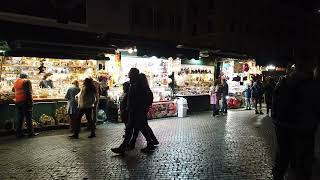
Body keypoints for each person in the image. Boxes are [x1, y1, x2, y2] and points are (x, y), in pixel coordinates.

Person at [272, 55, 319, 180]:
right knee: (303, 161)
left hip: (283, 127)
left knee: (282, 155)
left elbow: (274, 109)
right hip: (304, 127)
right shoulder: (312, 85)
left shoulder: (282, 83)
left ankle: (278, 175)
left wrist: (278, 123)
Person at [111, 68, 156, 154]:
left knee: (137, 128)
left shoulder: (137, 86)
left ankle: (126, 146)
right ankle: (125, 146)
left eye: (130, 74)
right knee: (135, 128)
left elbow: (134, 99)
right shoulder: (138, 85)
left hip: (135, 111)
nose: (129, 75)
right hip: (136, 111)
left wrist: (130, 108)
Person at [127, 73, 159, 150]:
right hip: (143, 110)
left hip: (138, 110)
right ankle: (151, 141)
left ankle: (150, 143)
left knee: (141, 126)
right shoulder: (146, 88)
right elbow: (149, 99)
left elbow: (135, 100)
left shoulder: (138, 88)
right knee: (141, 126)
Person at [13, 73, 38, 138]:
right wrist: (31, 102)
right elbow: (28, 93)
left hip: (18, 102)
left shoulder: (16, 82)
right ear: (26, 77)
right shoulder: (26, 81)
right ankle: (30, 133)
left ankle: (19, 133)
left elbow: (13, 90)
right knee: (28, 118)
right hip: (25, 102)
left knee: (20, 118)